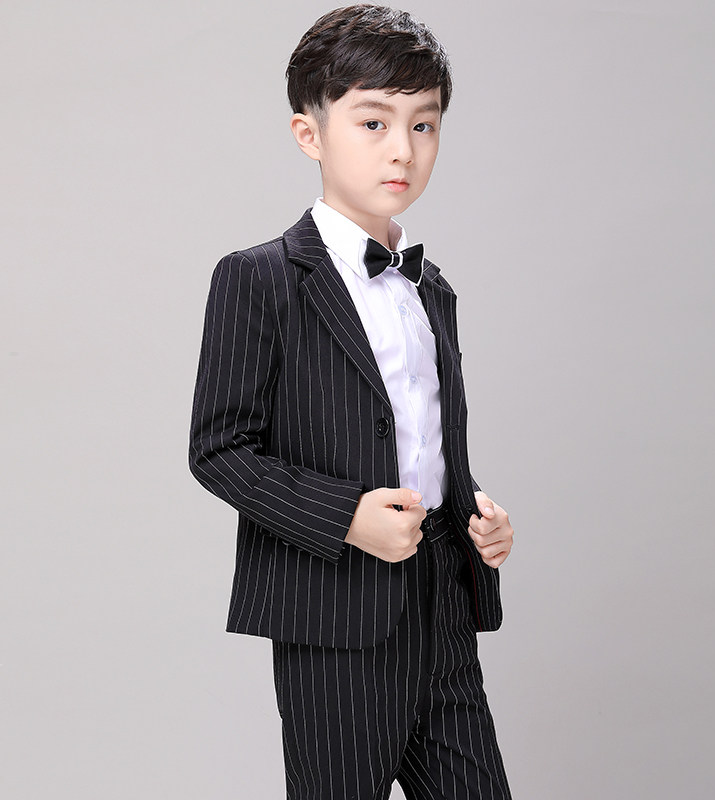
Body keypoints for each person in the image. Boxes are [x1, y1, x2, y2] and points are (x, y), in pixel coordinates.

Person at [189, 5, 515, 797]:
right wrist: (345, 517)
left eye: (424, 125)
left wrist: (478, 515)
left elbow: (422, 438)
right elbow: (218, 449)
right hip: (333, 615)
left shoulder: (432, 290)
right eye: (374, 123)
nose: (403, 148)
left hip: (442, 599)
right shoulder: (259, 278)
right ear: (310, 134)